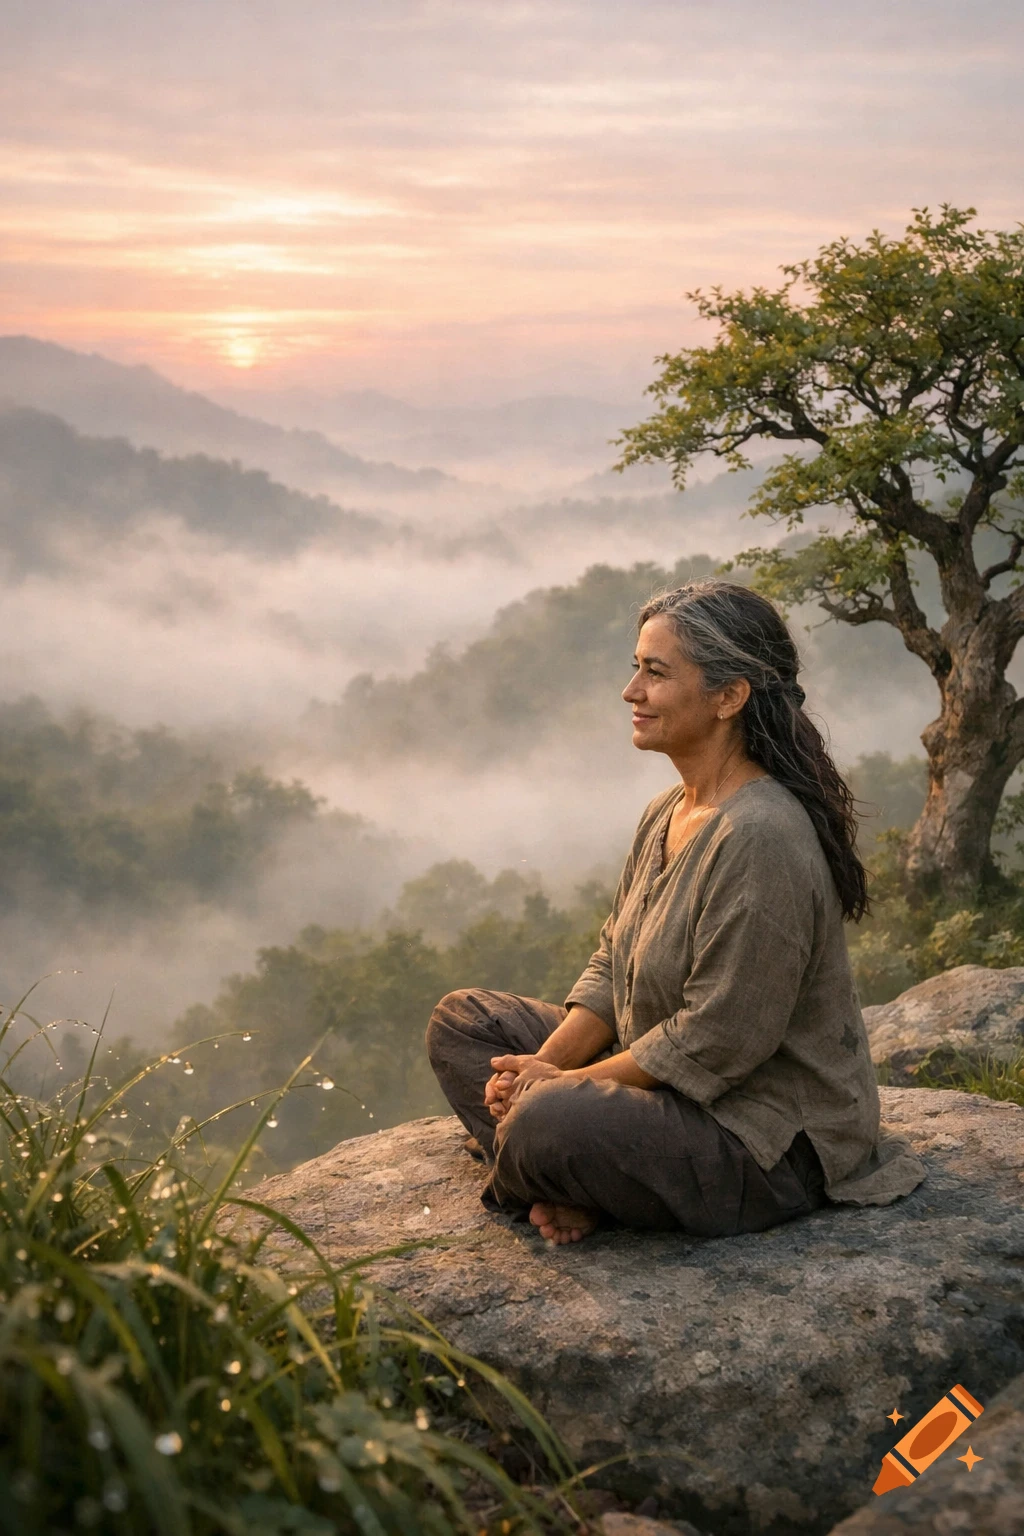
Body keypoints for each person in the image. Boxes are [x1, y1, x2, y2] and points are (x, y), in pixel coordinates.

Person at [426, 580, 925, 1244]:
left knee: (547, 1121)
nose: (631, 691)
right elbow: (612, 967)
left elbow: (715, 1042)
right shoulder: (668, 812)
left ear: (728, 696)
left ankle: (561, 1170)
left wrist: (550, 1092)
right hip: (663, 1079)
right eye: (636, 668)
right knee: (465, 1025)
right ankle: (577, 1177)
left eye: (654, 673)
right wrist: (539, 1068)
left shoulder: (761, 836)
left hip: (759, 1137)